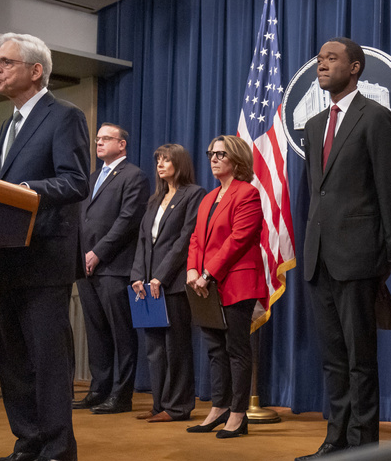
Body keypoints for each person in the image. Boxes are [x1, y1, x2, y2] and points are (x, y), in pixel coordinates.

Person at [294, 37, 391, 461]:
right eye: (320, 59)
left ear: (355, 67)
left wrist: (389, 255)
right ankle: (335, 441)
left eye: (332, 58)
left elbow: (388, 189)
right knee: (333, 358)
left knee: (361, 359)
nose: (322, 64)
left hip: (359, 256)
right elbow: (315, 193)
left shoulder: (375, 117)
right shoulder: (315, 123)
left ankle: (364, 448)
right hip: (318, 256)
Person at [0, 33, 89, 461]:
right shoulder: (8, 125)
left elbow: (75, 181)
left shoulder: (64, 116)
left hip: (45, 257)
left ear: (35, 71)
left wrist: (26, 191)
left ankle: (59, 450)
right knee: (14, 359)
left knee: (47, 359)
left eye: (6, 61)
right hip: (9, 256)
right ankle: (28, 441)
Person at [185, 136, 267, 439]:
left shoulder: (247, 194)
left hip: (236, 282)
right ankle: (218, 407)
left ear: (237, 159)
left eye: (221, 154)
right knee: (215, 349)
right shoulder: (208, 197)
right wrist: (193, 269)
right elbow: (196, 238)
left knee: (236, 349)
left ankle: (237, 413)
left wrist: (208, 273)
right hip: (206, 283)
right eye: (211, 154)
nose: (214, 158)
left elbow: (238, 240)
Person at [74, 123, 149, 415]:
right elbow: (83, 220)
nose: (99, 143)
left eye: (106, 139)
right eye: (97, 139)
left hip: (114, 267)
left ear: (122, 145)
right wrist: (81, 256)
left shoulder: (134, 176)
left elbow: (127, 221)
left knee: (121, 334)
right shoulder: (92, 178)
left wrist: (98, 253)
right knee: (97, 333)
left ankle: (121, 395)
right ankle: (98, 389)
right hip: (86, 266)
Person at [130, 144, 205, 423]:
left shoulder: (193, 194)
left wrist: (160, 275)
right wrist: (138, 275)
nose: (160, 165)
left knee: (176, 347)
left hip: (171, 283)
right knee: (154, 348)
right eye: (158, 160)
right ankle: (159, 404)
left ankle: (178, 407)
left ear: (180, 163)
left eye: (166, 160)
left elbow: (185, 239)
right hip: (148, 285)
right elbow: (142, 241)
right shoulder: (154, 199)